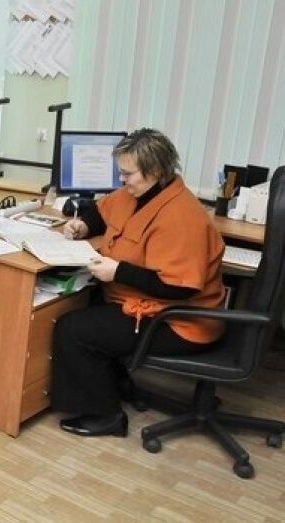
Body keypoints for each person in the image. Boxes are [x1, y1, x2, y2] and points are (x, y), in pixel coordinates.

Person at [51, 128, 226, 437]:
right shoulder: (139, 193)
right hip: (143, 305)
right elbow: (103, 212)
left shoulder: (181, 216)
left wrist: (118, 272)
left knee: (74, 329)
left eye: (128, 174)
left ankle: (106, 416)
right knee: (87, 302)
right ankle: (117, 385)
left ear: (155, 171)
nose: (121, 180)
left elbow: (179, 287)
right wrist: (83, 226)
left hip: (179, 321)